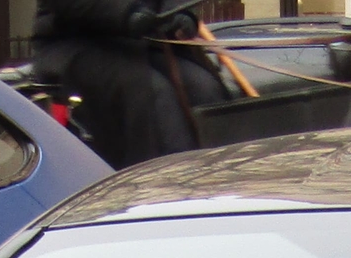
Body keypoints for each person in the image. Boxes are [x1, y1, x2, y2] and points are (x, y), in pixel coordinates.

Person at [24, 0, 226, 167]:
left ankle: (219, 172)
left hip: (141, 41)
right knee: (153, 94)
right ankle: (162, 178)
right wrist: (126, 13)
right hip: (76, 45)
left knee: (203, 88)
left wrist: (181, 13)